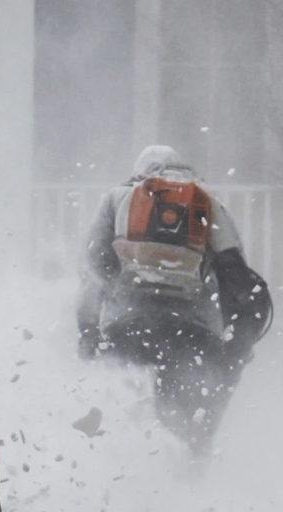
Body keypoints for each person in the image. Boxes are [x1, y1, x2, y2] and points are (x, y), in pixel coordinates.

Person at [76, 145, 271, 452]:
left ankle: (126, 472)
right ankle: (191, 469)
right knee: (189, 429)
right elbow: (236, 278)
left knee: (122, 427)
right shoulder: (206, 204)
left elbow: (94, 269)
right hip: (194, 337)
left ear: (139, 173)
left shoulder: (116, 199)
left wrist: (88, 331)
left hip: (127, 330)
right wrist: (235, 346)